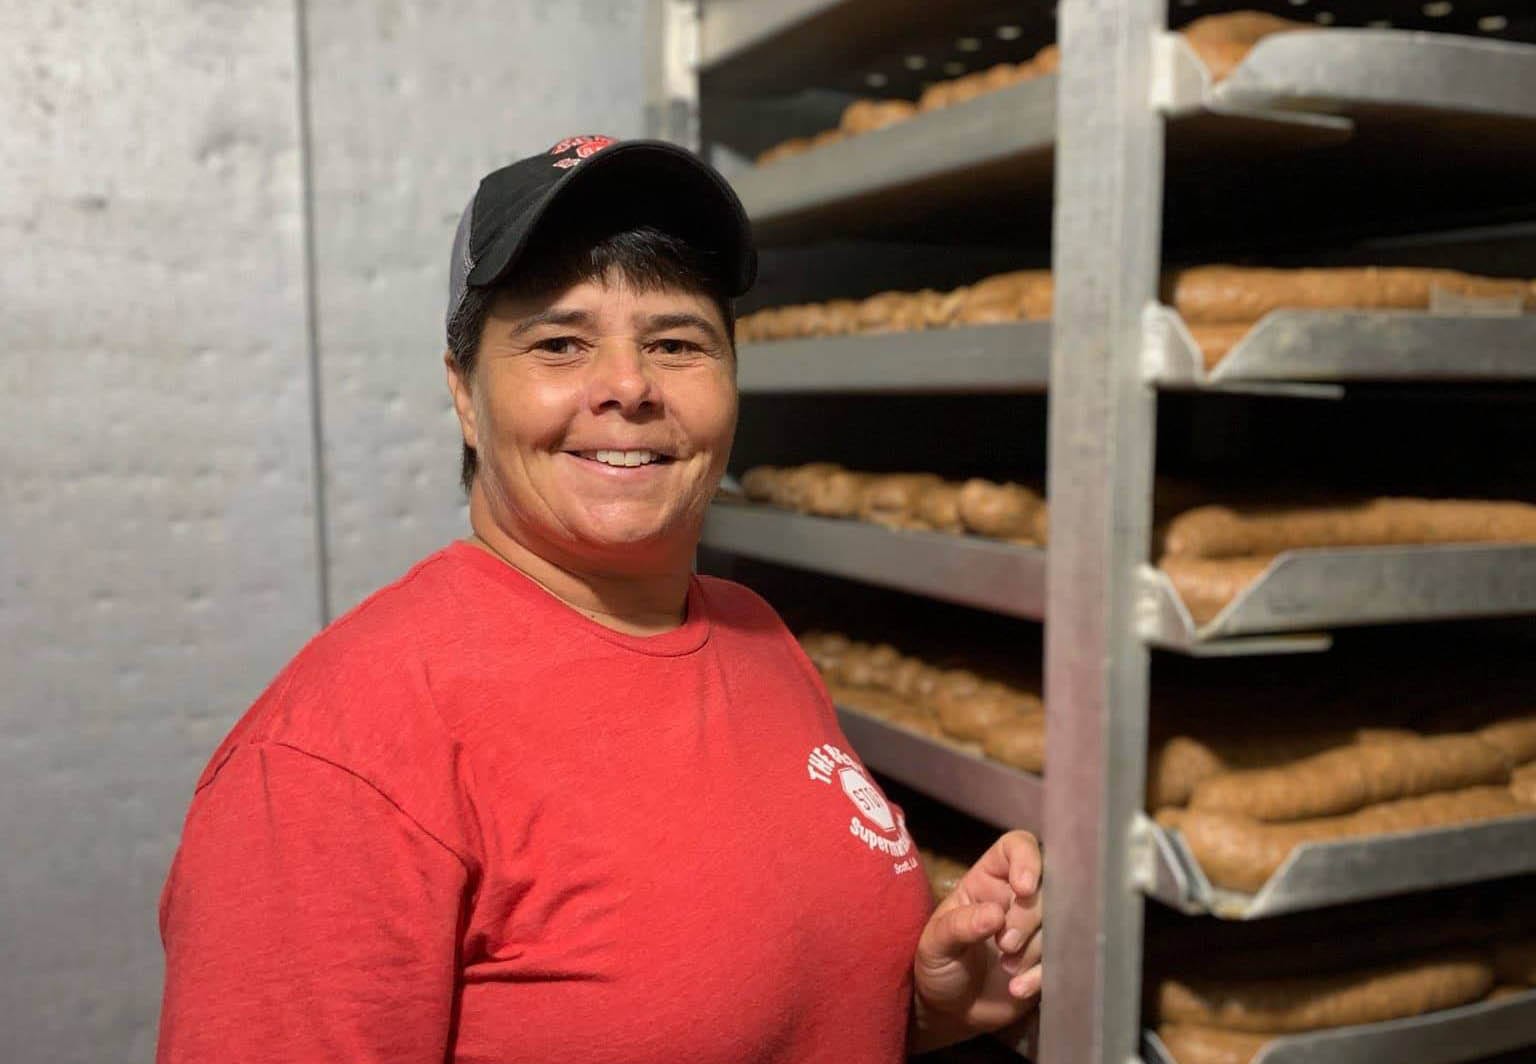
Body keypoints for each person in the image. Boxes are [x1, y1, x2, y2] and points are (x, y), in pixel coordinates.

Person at [156, 135, 1043, 1062]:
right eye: (560, 343)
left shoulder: (749, 632)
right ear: (464, 392)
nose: (628, 386)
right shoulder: (336, 761)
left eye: (676, 342)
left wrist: (923, 1005)